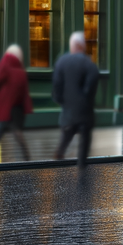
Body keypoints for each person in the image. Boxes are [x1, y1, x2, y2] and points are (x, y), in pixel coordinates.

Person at [52, 31, 100, 168]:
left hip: (68, 110)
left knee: (66, 136)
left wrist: (61, 99)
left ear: (73, 45)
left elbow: (57, 85)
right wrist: (86, 98)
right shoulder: (89, 64)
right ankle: (81, 166)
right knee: (85, 140)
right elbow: (92, 84)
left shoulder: (61, 62)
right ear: (81, 45)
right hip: (84, 111)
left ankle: (58, 158)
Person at [0, 43, 32, 162]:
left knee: (2, 129)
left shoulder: (5, 67)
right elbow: (24, 92)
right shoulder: (21, 71)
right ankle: (25, 154)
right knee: (12, 130)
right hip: (16, 107)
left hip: (6, 106)